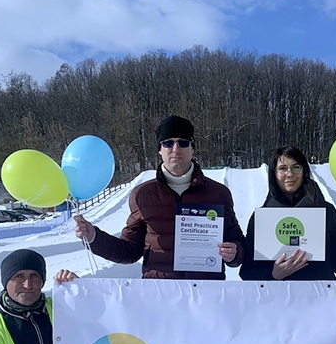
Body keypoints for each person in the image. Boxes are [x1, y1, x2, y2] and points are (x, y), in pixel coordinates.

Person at [74, 115, 245, 279]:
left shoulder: (218, 193)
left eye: (183, 143)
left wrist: (235, 252)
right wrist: (94, 237)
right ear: (159, 149)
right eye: (168, 143)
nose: (176, 149)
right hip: (159, 294)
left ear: (192, 148)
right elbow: (130, 250)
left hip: (206, 292)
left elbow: (237, 241)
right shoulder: (143, 195)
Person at [239, 145, 336, 281]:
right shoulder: (261, 218)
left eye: (296, 167)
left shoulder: (325, 211)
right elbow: (248, 272)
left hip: (320, 297)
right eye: (282, 169)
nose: (290, 173)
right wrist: (273, 274)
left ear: (304, 171)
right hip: (276, 299)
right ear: (274, 174)